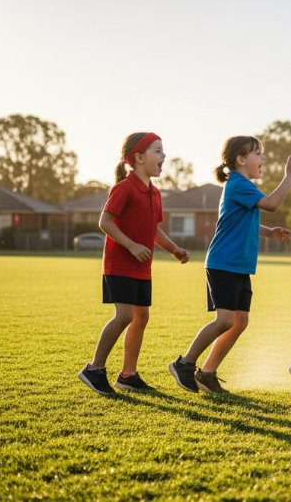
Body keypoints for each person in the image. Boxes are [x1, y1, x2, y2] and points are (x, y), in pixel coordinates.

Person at [169, 136, 291, 394]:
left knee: (239, 322)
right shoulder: (238, 184)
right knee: (225, 319)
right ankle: (184, 363)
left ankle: (207, 374)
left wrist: (269, 231)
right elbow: (271, 204)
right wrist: (290, 176)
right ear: (241, 159)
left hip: (238, 266)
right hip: (224, 263)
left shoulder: (244, 187)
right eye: (258, 154)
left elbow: (243, 222)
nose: (262, 159)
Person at [79, 132, 189, 394]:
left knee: (141, 316)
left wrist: (173, 249)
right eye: (158, 151)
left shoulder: (155, 193)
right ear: (138, 157)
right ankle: (94, 369)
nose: (164, 156)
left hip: (141, 267)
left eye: (163, 151)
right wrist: (130, 245)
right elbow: (105, 222)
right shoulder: (124, 188)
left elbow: (153, 230)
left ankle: (128, 375)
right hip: (119, 264)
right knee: (126, 315)